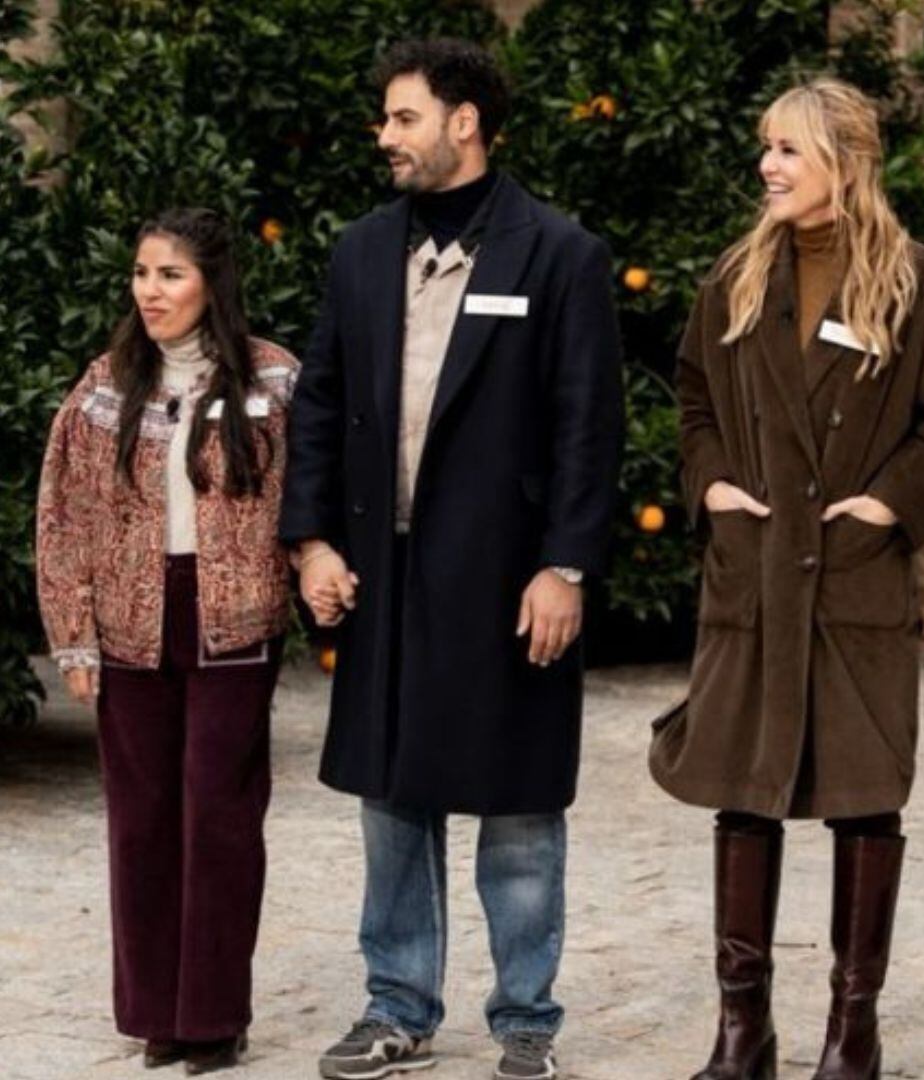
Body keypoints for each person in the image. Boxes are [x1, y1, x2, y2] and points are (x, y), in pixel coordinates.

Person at [280, 38, 622, 1080]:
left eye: (403, 118)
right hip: (381, 578)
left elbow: (587, 424)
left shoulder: (560, 254)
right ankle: (397, 1006)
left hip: (510, 580)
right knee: (393, 802)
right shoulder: (358, 251)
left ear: (463, 122)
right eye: (385, 120)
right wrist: (311, 541)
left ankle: (526, 1021)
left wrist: (565, 564)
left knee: (519, 809)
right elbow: (321, 407)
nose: (384, 137)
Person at [650, 77, 924, 1080]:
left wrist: (890, 503)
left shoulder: (920, 280)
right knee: (742, 795)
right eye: (766, 148)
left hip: (852, 583)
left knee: (863, 797)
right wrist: (710, 489)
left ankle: (854, 1029)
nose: (769, 166)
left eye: (789, 150)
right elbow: (697, 401)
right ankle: (740, 1028)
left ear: (844, 159)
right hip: (755, 579)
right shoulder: (736, 279)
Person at [36, 208, 299, 1075]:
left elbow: (308, 500)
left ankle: (214, 1014)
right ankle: (156, 1012)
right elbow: (62, 513)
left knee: (220, 818)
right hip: (127, 624)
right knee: (141, 819)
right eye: (143, 273)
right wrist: (74, 636)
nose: (151, 291)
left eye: (171, 275)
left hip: (235, 622)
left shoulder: (274, 379)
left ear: (212, 283)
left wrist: (310, 586)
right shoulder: (106, 383)